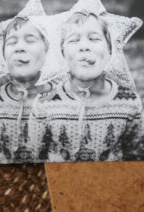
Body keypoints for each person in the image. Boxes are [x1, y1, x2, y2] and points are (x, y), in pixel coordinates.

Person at [34, 11, 142, 162]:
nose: (84, 47)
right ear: (62, 53)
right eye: (73, 41)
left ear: (110, 50)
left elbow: (135, 157)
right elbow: (36, 158)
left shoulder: (129, 102)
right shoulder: (45, 102)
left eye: (94, 38)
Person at [0, 17, 51, 164]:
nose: (20, 47)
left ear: (47, 50)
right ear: (2, 55)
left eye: (30, 40)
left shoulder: (62, 100)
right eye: (11, 42)